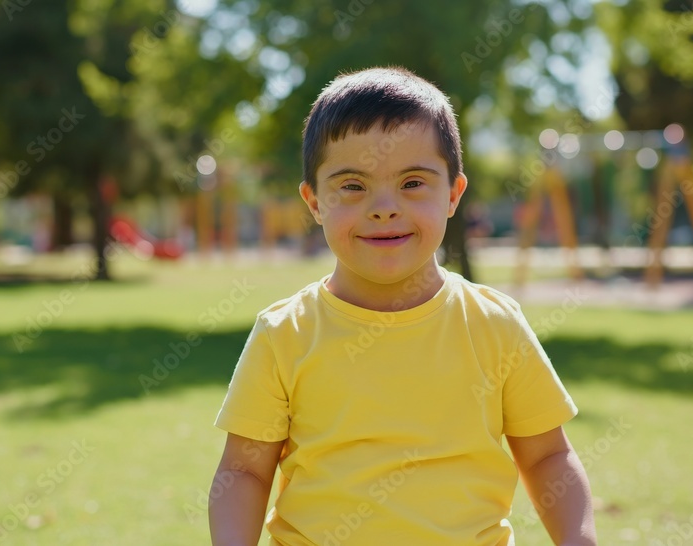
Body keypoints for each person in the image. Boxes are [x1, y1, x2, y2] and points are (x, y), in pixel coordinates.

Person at [208, 66, 597, 546]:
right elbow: (244, 472)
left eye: (413, 183)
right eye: (352, 185)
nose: (384, 207)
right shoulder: (284, 333)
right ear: (314, 202)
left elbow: (546, 458)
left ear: (453, 194)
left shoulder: (495, 325)